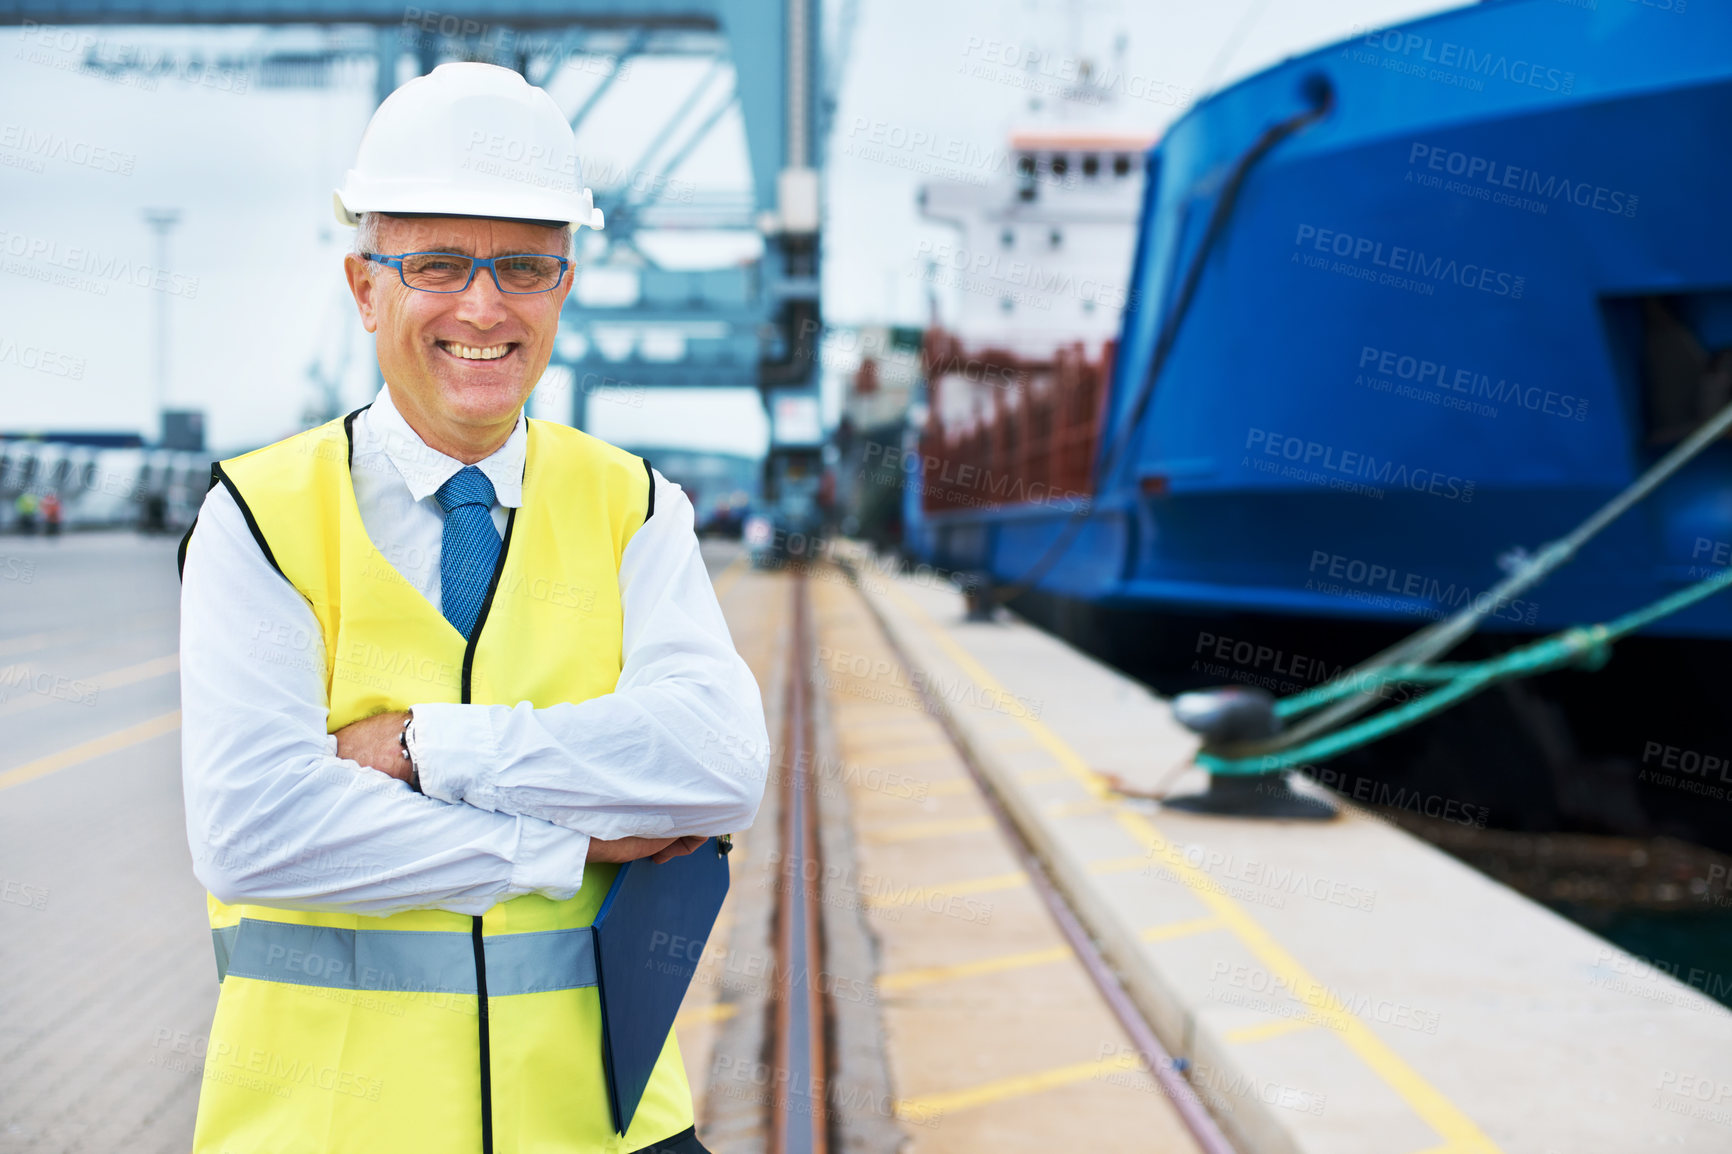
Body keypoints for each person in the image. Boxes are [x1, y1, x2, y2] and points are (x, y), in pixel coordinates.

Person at [176, 62, 769, 1154]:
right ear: (365, 287)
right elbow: (254, 833)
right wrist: (570, 845)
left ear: (564, 287)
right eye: (439, 263)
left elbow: (719, 766)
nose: (484, 307)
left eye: (524, 267)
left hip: (606, 1126)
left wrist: (420, 743)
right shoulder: (258, 518)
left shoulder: (637, 506)